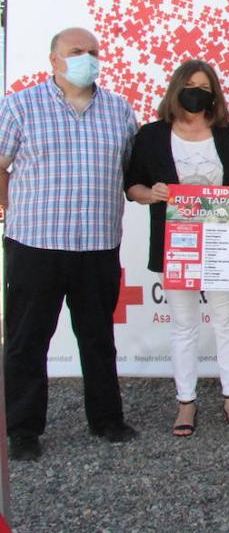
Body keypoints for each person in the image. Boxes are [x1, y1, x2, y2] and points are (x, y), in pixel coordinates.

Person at [0, 27, 139, 461]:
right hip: (36, 242)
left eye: (93, 52)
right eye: (76, 52)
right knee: (27, 338)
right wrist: (10, 204)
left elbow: (132, 169)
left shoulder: (118, 110)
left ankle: (106, 420)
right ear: (54, 60)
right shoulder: (20, 106)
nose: (88, 58)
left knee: (97, 336)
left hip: (97, 243)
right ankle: (23, 430)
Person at [125, 59, 229, 436]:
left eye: (204, 87)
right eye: (191, 85)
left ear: (213, 94)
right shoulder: (151, 135)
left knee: (226, 321)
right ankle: (186, 402)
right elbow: (132, 186)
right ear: (177, 88)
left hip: (220, 240)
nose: (196, 93)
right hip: (176, 244)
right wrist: (152, 193)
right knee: (183, 324)